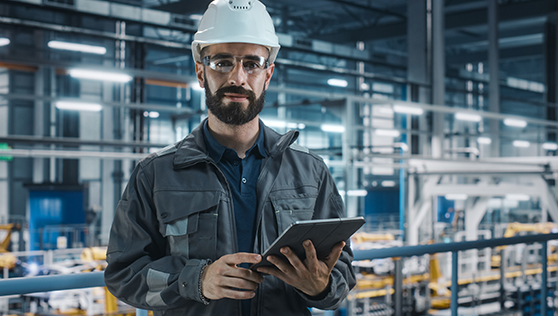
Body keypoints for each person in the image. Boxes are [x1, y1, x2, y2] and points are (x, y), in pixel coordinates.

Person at [104, 0, 356, 315]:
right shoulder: (156, 174)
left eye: (252, 63)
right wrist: (197, 280)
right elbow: (123, 274)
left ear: (268, 74)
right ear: (200, 72)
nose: (237, 77)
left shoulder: (309, 171)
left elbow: (342, 271)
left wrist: (320, 286)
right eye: (222, 62)